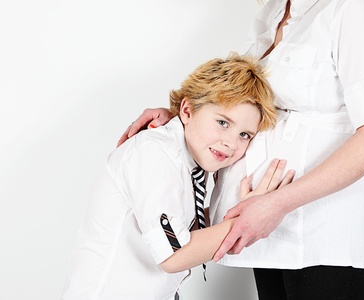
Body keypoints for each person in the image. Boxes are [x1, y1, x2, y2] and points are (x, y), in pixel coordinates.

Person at [119, 0, 364, 299]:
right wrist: (181, 120)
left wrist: (277, 204)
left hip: (322, 237)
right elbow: (246, 111)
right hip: (266, 234)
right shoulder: (271, 14)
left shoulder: (354, 10)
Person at [62, 53, 295, 300]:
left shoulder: (192, 163)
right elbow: (173, 254)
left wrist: (245, 206)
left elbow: (183, 228)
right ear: (187, 110)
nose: (230, 143)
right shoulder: (155, 154)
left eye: (244, 135)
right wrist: (250, 219)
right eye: (223, 123)